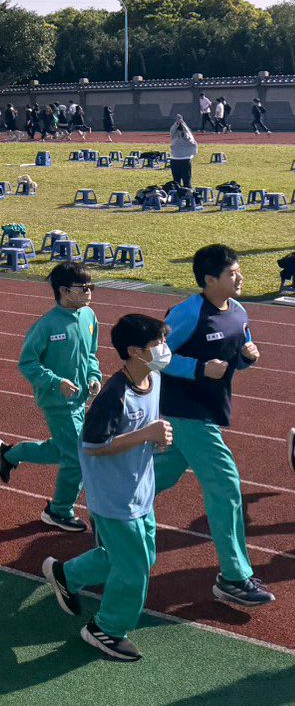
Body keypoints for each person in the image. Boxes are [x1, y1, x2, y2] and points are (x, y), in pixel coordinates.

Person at [42, 313, 172, 662]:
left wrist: (155, 439)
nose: (164, 349)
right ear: (134, 351)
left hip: (140, 489)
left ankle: (66, 575)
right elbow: (93, 446)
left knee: (138, 558)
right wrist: (146, 435)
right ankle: (105, 629)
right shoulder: (114, 395)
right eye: (157, 344)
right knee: (133, 569)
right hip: (114, 499)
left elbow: (144, 428)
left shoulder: (154, 379)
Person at [155, 244, 275, 606]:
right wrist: (195, 369)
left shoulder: (238, 311)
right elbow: (155, 354)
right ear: (209, 280)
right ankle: (234, 577)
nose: (240, 277)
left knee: (164, 473)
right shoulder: (188, 313)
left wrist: (246, 357)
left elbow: (237, 352)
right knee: (226, 485)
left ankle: (112, 509)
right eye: (232, 273)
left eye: (239, 271)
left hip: (210, 407)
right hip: (187, 410)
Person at [0, 262, 102, 532]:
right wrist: (55, 383)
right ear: (64, 291)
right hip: (56, 402)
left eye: (91, 287)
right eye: (83, 288)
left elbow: (90, 354)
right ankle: (58, 510)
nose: (89, 292)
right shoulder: (46, 325)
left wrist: (93, 377)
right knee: (78, 456)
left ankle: (10, 454)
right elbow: (27, 363)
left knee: (61, 449)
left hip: (79, 399)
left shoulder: (89, 317)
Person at [169, 114, 197, 189]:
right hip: (180, 160)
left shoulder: (186, 137)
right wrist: (179, 123)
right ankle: (182, 198)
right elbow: (173, 130)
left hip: (179, 160)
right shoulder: (175, 135)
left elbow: (187, 134)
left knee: (184, 182)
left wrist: (180, 123)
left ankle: (187, 198)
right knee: (179, 182)